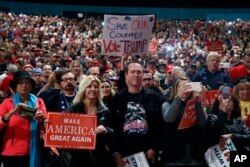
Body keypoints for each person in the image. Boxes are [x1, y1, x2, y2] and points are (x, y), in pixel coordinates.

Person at [109, 62, 164, 167]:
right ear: (126, 75)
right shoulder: (117, 99)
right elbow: (112, 127)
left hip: (147, 153)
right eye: (132, 72)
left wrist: (154, 148)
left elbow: (160, 125)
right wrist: (115, 152)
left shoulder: (154, 97)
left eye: (139, 72)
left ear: (143, 75)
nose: (136, 75)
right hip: (124, 154)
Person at [61, 75, 115, 167]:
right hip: (77, 158)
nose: (93, 89)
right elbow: (63, 134)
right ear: (83, 89)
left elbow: (113, 134)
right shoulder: (72, 109)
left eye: (96, 87)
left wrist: (106, 130)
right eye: (89, 86)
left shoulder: (104, 111)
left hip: (99, 158)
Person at [0, 71, 47, 167]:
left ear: (31, 86)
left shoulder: (39, 102)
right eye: (20, 83)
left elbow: (47, 123)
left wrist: (42, 118)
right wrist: (11, 113)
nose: (24, 85)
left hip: (35, 150)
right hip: (12, 152)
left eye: (27, 82)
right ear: (15, 87)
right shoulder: (7, 103)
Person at [161, 76, 207, 166]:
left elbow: (202, 123)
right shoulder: (167, 103)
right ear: (176, 88)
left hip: (193, 153)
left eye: (188, 85)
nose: (186, 88)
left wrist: (198, 102)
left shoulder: (194, 103)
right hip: (173, 154)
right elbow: (169, 119)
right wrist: (178, 97)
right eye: (182, 86)